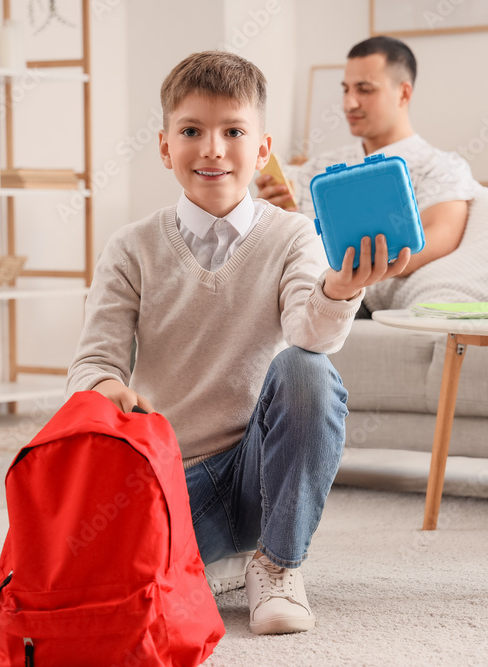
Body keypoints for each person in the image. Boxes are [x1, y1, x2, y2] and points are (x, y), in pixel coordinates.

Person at [65, 50, 409, 636]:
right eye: (192, 131)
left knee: (308, 370)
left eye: (233, 131)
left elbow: (310, 336)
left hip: (261, 468)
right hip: (174, 478)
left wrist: (338, 288)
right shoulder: (131, 247)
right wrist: (108, 387)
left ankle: (277, 565)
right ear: (165, 146)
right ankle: (215, 559)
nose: (213, 149)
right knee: (90, 581)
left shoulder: (295, 235)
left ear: (263, 148)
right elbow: (92, 362)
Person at [257, 36, 478, 282]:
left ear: (403, 94)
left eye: (364, 89)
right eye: (346, 89)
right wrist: (276, 218)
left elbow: (440, 237)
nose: (349, 102)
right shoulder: (316, 169)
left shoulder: (441, 167)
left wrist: (347, 278)